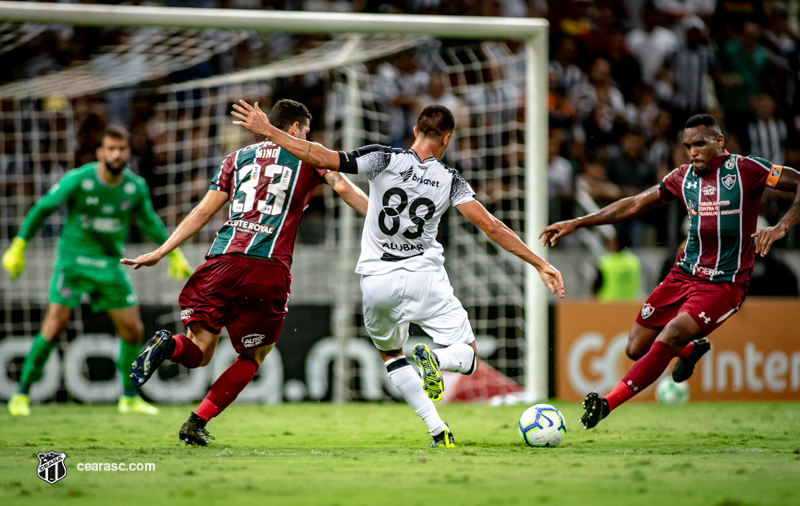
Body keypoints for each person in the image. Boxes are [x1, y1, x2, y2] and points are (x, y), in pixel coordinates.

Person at [231, 100, 564, 447]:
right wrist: (539, 263)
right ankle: (436, 358)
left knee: (392, 355)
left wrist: (269, 130)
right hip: (425, 280)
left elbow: (322, 156)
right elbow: (491, 226)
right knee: (467, 355)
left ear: (416, 130)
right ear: (447, 140)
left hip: (377, 282)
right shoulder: (451, 180)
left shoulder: (383, 158)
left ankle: (438, 430)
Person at [120, 99, 368, 446]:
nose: (308, 137)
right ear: (295, 128)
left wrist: (162, 250)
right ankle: (197, 421)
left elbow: (203, 212)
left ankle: (168, 346)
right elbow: (342, 186)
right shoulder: (307, 155)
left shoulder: (235, 159)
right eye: (306, 131)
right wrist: (385, 220)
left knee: (198, 351)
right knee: (252, 356)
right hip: (266, 268)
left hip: (220, 262)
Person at [540, 114, 800, 429]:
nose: (692, 151)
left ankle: (607, 403)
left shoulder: (746, 170)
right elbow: (634, 204)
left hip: (724, 284)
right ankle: (690, 352)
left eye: (700, 144)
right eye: (688, 145)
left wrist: (782, 225)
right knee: (635, 348)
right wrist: (578, 222)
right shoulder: (682, 177)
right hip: (684, 275)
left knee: (672, 333)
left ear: (719, 142)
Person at [2, 126, 193, 417]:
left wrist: (173, 252)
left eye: (122, 149)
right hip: (74, 262)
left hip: (109, 266)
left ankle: (129, 398)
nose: (116, 155)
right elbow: (43, 208)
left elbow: (149, 221)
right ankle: (21, 394)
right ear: (101, 152)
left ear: (128, 152)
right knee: (53, 328)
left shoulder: (135, 186)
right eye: (111, 149)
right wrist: (19, 244)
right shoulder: (79, 180)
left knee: (133, 330)